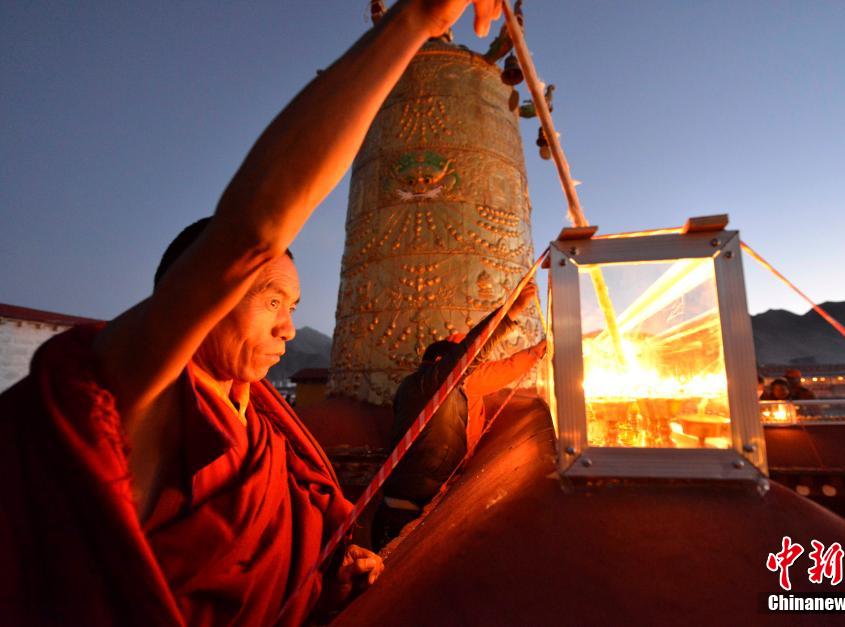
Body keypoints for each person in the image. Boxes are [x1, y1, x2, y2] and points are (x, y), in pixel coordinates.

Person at [0, 2, 503, 625]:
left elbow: (298, 558)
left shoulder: (262, 421)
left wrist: (336, 575)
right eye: (269, 301)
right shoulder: (140, 402)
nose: (289, 327)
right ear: (202, 301)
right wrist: (414, 21)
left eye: (291, 306)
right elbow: (249, 236)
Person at [372, 283, 546, 549]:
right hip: (409, 510)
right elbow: (491, 363)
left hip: (408, 501)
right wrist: (512, 314)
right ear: (446, 363)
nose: (476, 366)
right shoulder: (433, 385)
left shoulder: (419, 388)